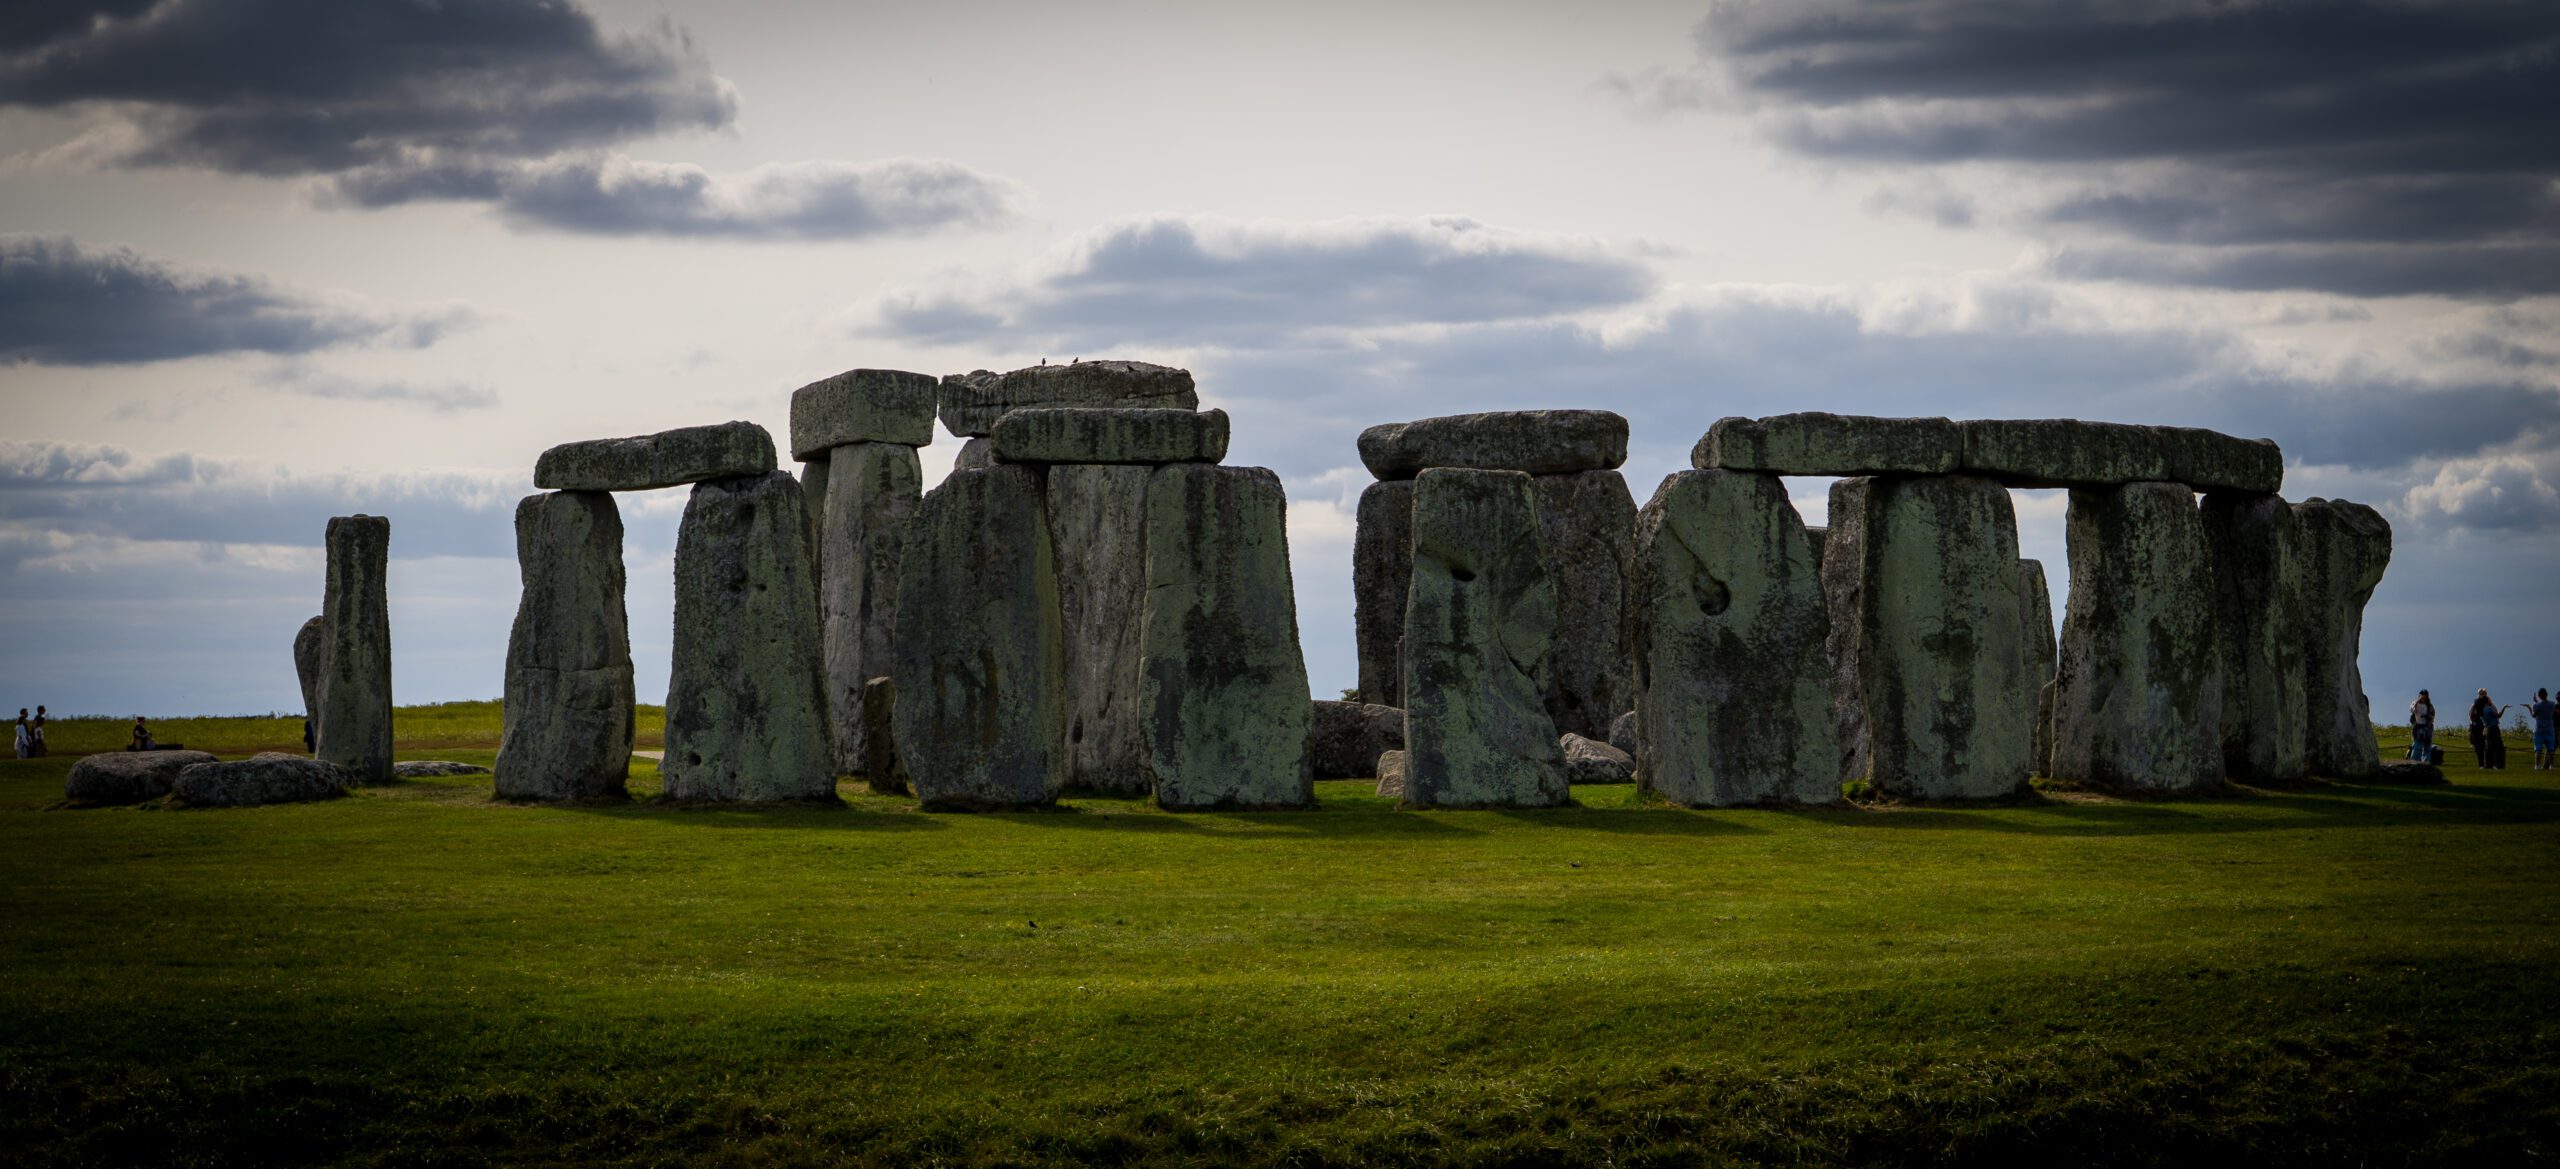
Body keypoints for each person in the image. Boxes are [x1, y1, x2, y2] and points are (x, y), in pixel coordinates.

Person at [2470, 690, 2511, 770]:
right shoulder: (2488, 709)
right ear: (2486, 701)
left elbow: (2471, 716)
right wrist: (2504, 707)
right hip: (2493, 728)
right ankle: (2499, 764)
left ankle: (2488, 764)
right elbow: (2498, 715)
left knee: (2488, 748)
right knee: (2498, 747)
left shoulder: (2480, 710)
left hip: (2486, 729)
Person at [2533, 688, 2558, 771]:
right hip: (2549, 728)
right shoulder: (2552, 704)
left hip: (2539, 728)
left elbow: (2534, 715)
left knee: (2538, 749)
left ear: (2539, 695)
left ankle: (2537, 765)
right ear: (2547, 694)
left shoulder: (2536, 705)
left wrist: (2535, 702)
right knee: (2551, 749)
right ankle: (2551, 766)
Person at [2409, 690, 2436, 762]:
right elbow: (2411, 710)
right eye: (2422, 696)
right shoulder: (2415, 703)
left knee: (2427, 746)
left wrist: (2428, 716)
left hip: (2428, 727)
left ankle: (2425, 762)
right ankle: (2414, 761)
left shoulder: (2429, 705)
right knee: (2418, 745)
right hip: (2418, 727)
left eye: (2425, 696)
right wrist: (2417, 701)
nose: (2423, 698)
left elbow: (2433, 714)